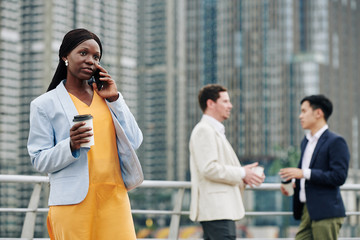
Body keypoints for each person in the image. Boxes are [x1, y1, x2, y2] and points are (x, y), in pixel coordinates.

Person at [27, 28, 143, 239]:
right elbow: (38, 160)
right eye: (83, 53)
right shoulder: (44, 105)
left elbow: (134, 141)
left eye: (96, 56)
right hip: (72, 203)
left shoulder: (108, 97)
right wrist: (70, 145)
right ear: (65, 57)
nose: (91, 60)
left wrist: (115, 99)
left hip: (114, 198)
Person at [189, 84, 265, 240]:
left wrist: (243, 173)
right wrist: (242, 172)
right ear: (210, 103)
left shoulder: (214, 130)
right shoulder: (205, 130)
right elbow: (208, 168)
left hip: (220, 210)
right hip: (216, 210)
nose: (230, 106)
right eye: (225, 101)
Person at [279, 94, 350, 240]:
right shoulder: (305, 141)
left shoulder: (336, 141)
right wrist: (294, 185)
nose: (300, 116)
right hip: (307, 210)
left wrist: (303, 173)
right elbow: (306, 174)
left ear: (319, 113)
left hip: (326, 211)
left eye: (304, 111)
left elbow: (339, 177)